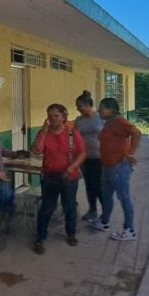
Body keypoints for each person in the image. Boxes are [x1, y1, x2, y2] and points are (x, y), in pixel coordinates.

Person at [31, 103, 86, 254]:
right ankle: (40, 238)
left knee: (69, 206)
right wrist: (43, 131)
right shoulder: (45, 133)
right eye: (50, 116)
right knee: (47, 208)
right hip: (49, 176)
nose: (53, 119)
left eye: (56, 116)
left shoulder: (71, 133)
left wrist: (72, 167)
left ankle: (71, 234)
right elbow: (36, 151)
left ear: (63, 117)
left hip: (69, 176)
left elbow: (82, 153)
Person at [93, 97, 142, 240]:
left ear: (111, 109)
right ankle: (104, 221)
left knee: (123, 197)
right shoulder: (109, 122)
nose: (99, 110)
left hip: (119, 166)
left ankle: (130, 229)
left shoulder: (120, 121)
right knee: (106, 196)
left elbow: (136, 133)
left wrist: (131, 153)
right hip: (107, 166)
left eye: (102, 108)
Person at [74, 90, 105, 225]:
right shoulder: (78, 121)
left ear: (88, 105)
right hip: (85, 158)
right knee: (89, 185)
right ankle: (92, 210)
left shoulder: (100, 118)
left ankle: (106, 212)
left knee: (99, 186)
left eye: (80, 106)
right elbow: (74, 138)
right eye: (77, 106)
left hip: (100, 158)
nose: (78, 109)